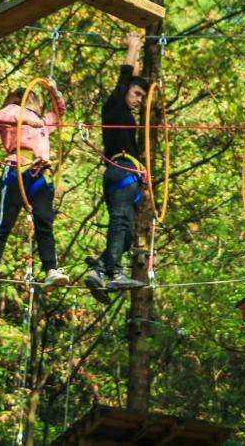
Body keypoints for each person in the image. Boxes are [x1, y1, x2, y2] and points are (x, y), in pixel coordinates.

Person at [0, 83, 69, 287]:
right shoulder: (12, 112)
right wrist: (25, 117)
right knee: (5, 220)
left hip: (40, 174)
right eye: (31, 99)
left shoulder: (42, 123)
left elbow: (59, 111)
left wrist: (54, 91)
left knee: (44, 222)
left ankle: (51, 270)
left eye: (36, 100)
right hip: (17, 169)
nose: (35, 102)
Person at [84, 33, 149, 302]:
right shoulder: (114, 107)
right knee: (120, 221)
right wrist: (133, 48)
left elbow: (130, 82)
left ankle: (99, 271)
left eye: (143, 98)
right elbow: (125, 78)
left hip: (128, 174)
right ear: (125, 92)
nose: (139, 101)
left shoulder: (127, 118)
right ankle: (115, 272)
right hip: (120, 170)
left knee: (126, 236)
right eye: (136, 94)